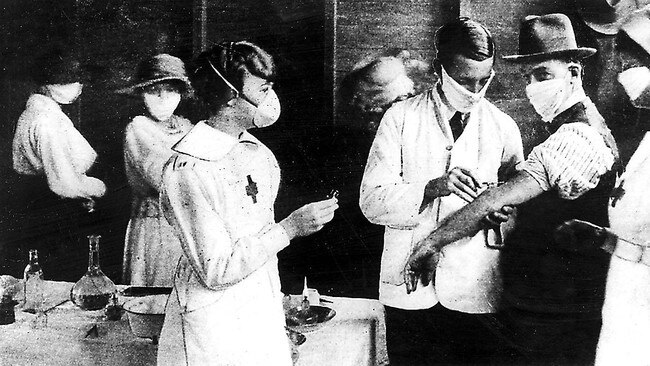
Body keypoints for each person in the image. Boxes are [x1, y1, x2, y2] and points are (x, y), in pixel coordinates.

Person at [405, 14, 619, 365]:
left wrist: (431, 242)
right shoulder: (581, 127)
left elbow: (495, 198)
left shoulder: (577, 137)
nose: (532, 86)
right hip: (550, 301)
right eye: (528, 77)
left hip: (557, 308)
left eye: (543, 74)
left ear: (575, 73)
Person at [156, 41, 338, 366]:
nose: (271, 98)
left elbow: (259, 246)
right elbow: (215, 270)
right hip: (214, 323)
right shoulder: (189, 169)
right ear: (229, 96)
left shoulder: (258, 154)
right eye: (263, 89)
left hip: (258, 310)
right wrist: (290, 229)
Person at [359, 18, 524, 365]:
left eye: (484, 80)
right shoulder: (400, 119)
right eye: (464, 80)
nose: (475, 91)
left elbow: (516, 199)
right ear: (439, 68)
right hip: (409, 284)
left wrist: (503, 217)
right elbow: (371, 202)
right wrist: (431, 188)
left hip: (475, 282)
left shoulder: (503, 127)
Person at [11, 46, 106, 280]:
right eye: (67, 80)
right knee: (56, 276)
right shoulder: (45, 120)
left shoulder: (44, 114)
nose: (76, 86)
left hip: (46, 204)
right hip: (50, 209)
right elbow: (62, 182)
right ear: (47, 84)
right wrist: (98, 188)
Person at [595, 6, 650, 365]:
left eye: (635, 61)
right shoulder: (645, 141)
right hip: (626, 295)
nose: (621, 69)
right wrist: (603, 239)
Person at [120, 54, 194, 286]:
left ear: (181, 94)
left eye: (171, 90)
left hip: (189, 222)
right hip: (155, 223)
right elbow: (164, 176)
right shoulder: (139, 128)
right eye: (154, 91)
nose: (163, 98)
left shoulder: (188, 127)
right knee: (157, 289)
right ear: (142, 94)